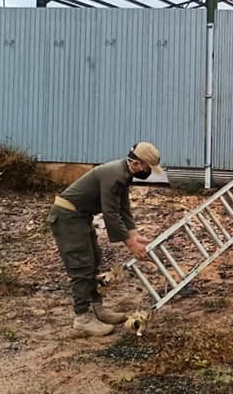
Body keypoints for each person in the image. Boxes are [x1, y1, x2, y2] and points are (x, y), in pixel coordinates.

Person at [47, 142, 160, 337]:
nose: (148, 172)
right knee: (81, 266)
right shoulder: (115, 174)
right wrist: (130, 244)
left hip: (80, 217)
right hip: (67, 217)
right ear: (137, 163)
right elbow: (110, 214)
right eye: (148, 167)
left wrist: (134, 234)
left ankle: (97, 309)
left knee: (93, 261)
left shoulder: (124, 175)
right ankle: (82, 318)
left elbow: (123, 208)